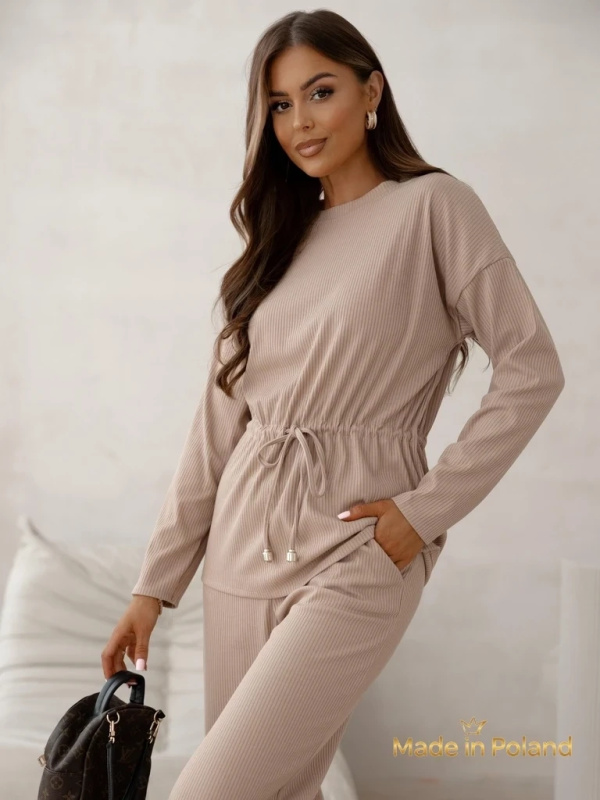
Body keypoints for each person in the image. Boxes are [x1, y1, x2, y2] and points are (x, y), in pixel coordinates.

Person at [101, 9, 565, 800]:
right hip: (241, 553)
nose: (301, 121)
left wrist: (421, 513)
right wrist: (154, 587)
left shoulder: (435, 207)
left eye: (320, 92)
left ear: (371, 91)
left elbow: (531, 369)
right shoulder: (276, 243)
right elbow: (215, 432)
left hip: (359, 548)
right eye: (280, 105)